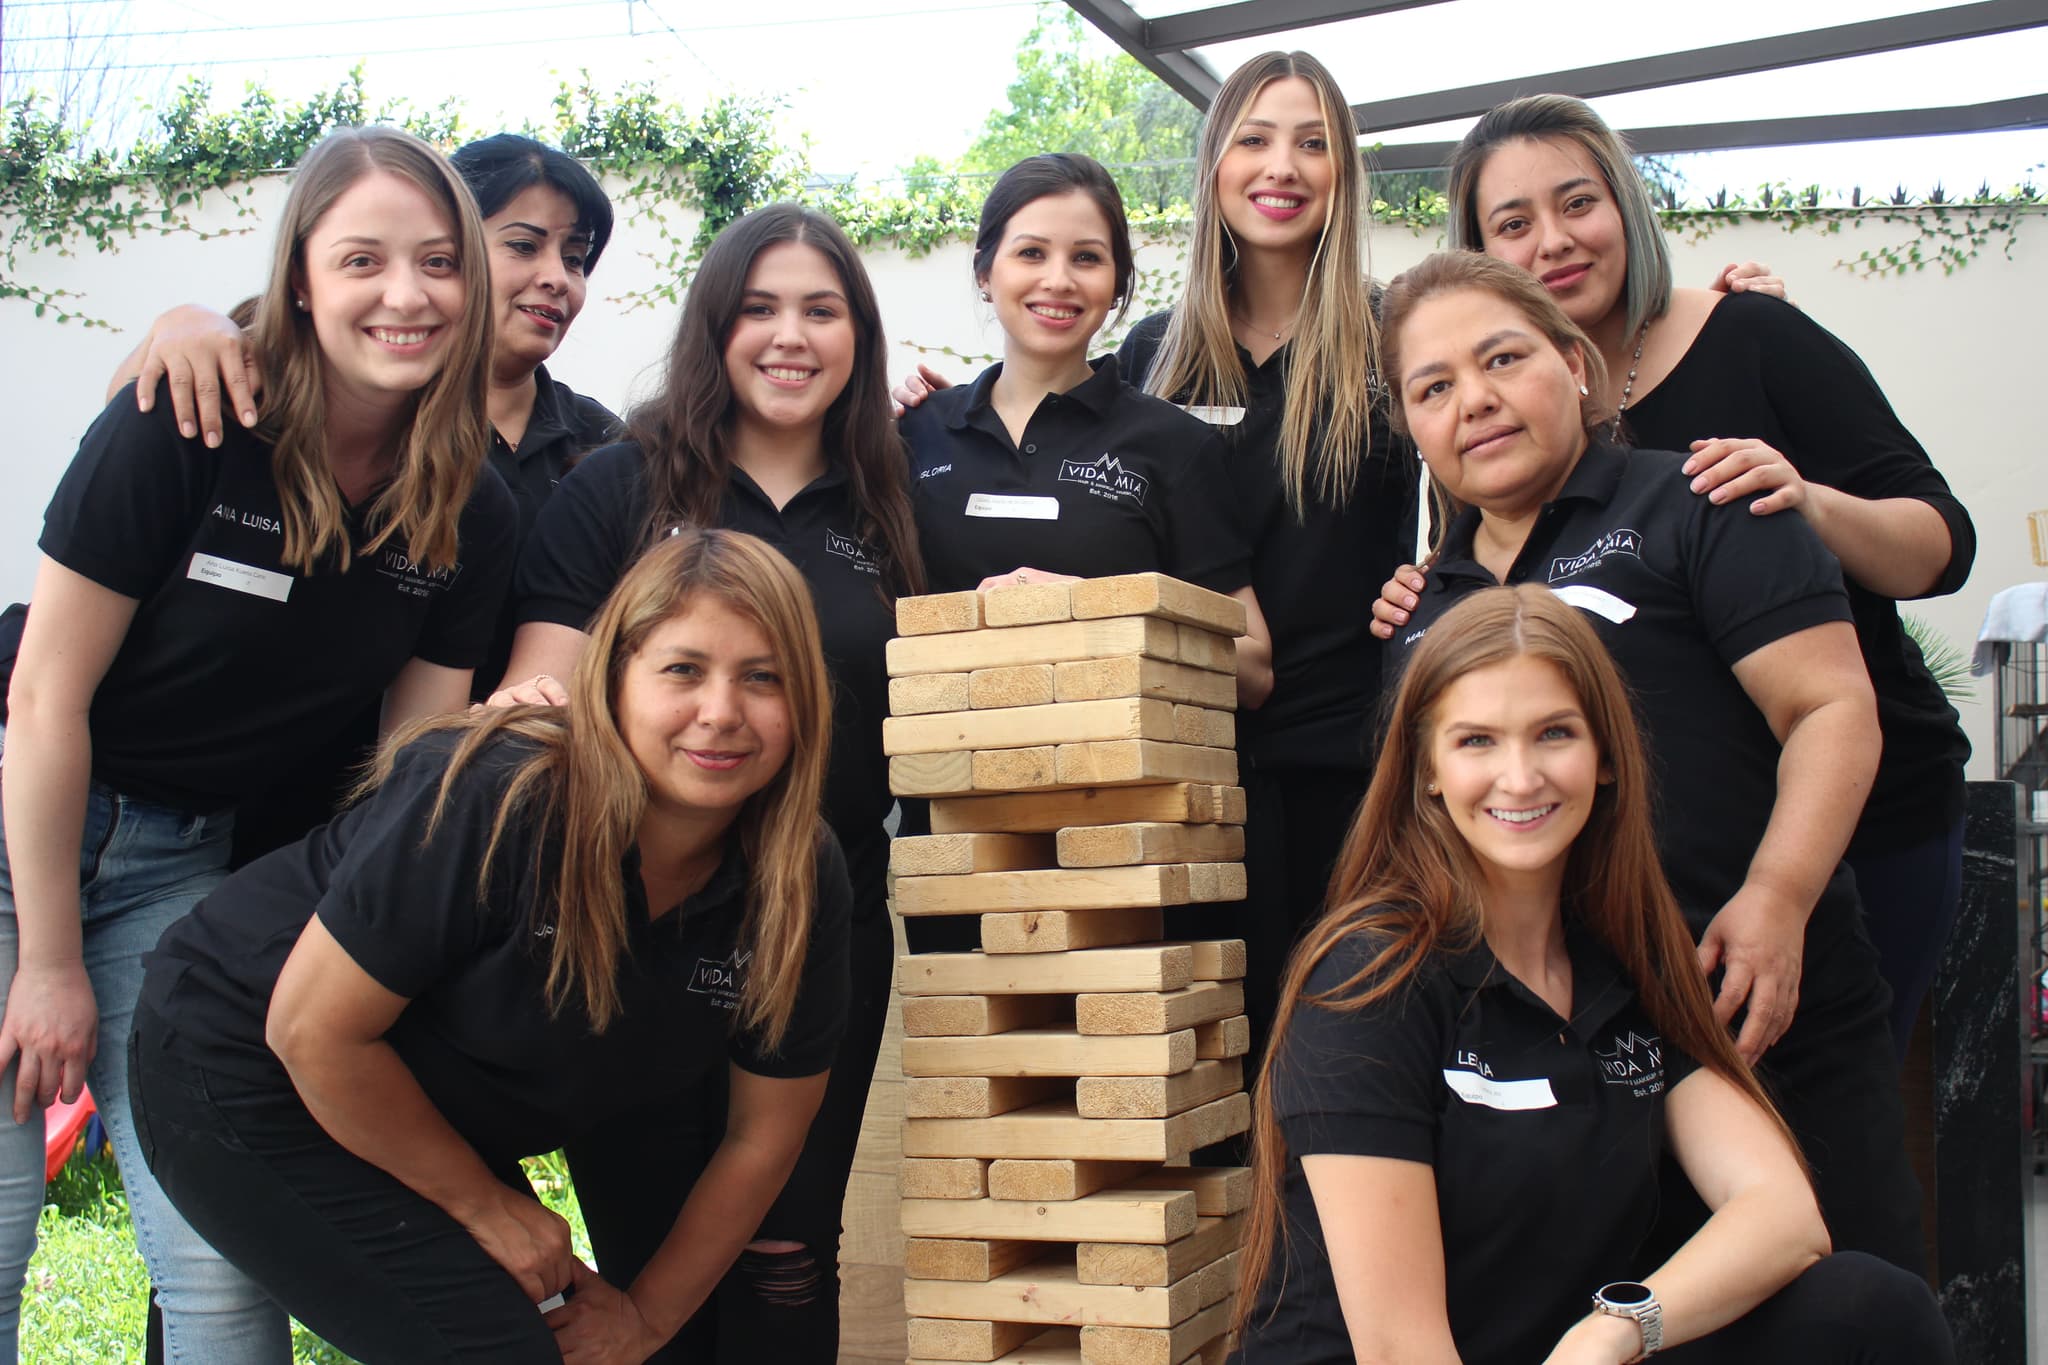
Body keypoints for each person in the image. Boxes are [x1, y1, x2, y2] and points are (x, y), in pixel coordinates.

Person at [0, 124, 516, 1359]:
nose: (405, 295)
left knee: (225, 1268)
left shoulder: (469, 504)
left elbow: (407, 771)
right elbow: (45, 697)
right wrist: (50, 963)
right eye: (362, 261)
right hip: (21, 825)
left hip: (180, 872)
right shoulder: (186, 418)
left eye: (439, 262)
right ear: (300, 278)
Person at [129, 529, 849, 1365]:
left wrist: (643, 1321)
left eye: (763, 677)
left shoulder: (799, 877)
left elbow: (761, 1136)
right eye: (683, 669)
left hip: (410, 1105)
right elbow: (310, 1029)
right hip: (241, 1056)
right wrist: (483, 1205)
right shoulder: (504, 792)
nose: (721, 712)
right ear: (614, 679)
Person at [1375, 94, 1973, 1056]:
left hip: (1864, 799)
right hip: (1656, 868)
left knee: (1825, 1068)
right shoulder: (1495, 429)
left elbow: (1941, 543)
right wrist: (1430, 595)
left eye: (1579, 202)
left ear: (1625, 204)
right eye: (1513, 224)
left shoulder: (1751, 336)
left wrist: (1808, 501)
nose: (1553, 241)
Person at [1375, 250, 1924, 1273]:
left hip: (1751, 1001)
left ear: (1575, 363)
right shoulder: (1424, 609)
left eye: (1503, 358)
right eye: (1433, 387)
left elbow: (1831, 708)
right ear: (1410, 425)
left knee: (1848, 1299)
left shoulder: (1696, 500)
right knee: (1622, 1316)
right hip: (1568, 1064)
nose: (1475, 401)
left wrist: (1776, 898)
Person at [1236, 584, 1954, 1364]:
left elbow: (1783, 1214)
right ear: (1427, 769)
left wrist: (1618, 1328)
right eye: (1477, 741)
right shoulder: (1370, 982)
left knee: (1871, 1308)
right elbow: (1401, 1349)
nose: (1520, 777)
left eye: (1554, 733)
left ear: (1606, 757)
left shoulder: (1622, 960)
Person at [499, 202, 920, 1361]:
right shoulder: (618, 487)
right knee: (648, 1252)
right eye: (758, 309)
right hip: (634, 921)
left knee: (787, 1253)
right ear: (713, 328)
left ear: (857, 337)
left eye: (821, 311)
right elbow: (543, 682)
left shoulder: (895, 501)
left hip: (817, 921)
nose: (790, 337)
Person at [891, 151, 1268, 959]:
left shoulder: (1174, 446)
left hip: (1126, 845)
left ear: (1119, 284)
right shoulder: (914, 437)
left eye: (1087, 258)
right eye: (1031, 252)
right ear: (985, 271)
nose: (1058, 280)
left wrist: (1096, 611)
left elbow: (1254, 667)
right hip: (961, 841)